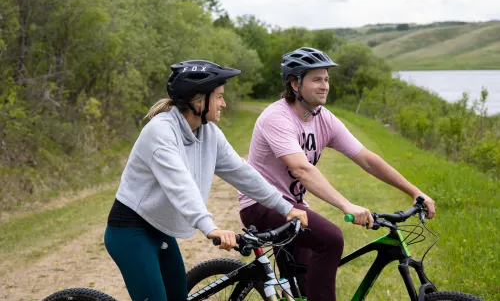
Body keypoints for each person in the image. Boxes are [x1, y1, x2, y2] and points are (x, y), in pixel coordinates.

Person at [238, 47, 436, 301]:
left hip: (293, 208)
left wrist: (414, 191)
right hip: (261, 204)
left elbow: (367, 159)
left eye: (327, 79)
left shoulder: (323, 119)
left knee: (308, 286)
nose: (325, 86)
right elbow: (301, 169)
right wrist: (346, 205)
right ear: (294, 83)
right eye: (316, 79)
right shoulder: (277, 118)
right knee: (331, 239)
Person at [104, 60, 308, 301]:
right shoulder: (160, 132)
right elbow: (180, 185)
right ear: (198, 99)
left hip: (160, 230)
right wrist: (210, 228)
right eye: (219, 96)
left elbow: (242, 173)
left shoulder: (207, 132)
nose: (223, 103)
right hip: (130, 231)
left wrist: (286, 207)